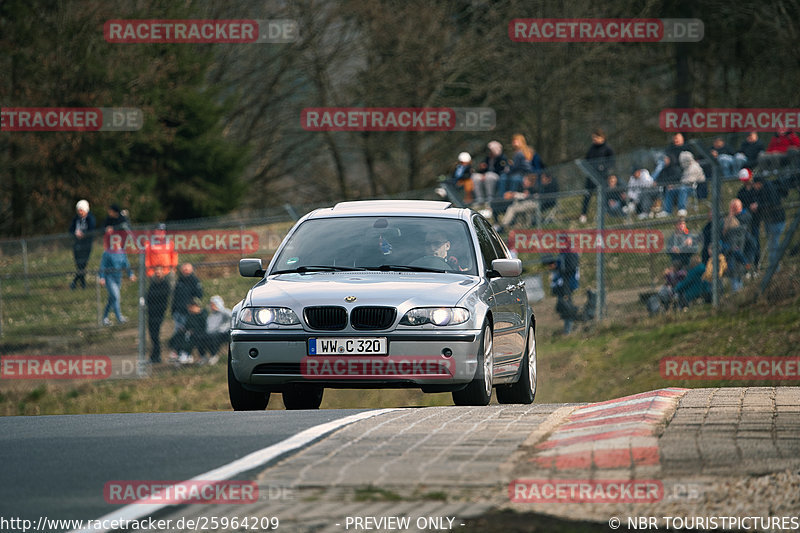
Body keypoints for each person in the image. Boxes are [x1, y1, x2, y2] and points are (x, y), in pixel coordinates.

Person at [144, 223, 178, 363]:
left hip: (167, 271)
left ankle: (172, 307)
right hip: (154, 272)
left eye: (162, 231)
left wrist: (172, 269)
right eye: (158, 230)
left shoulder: (169, 243)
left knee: (170, 293)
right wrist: (151, 272)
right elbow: (147, 259)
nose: (160, 233)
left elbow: (173, 256)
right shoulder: (149, 244)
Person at [580, 129, 615, 223]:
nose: (594, 139)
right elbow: (587, 160)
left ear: (602, 137)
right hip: (591, 177)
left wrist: (604, 169)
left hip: (601, 177)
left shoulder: (607, 149)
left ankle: (603, 213)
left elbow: (611, 163)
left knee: (602, 195)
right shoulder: (591, 148)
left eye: (596, 137)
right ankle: (583, 215)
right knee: (587, 196)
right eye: (593, 138)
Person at [98, 240, 136, 326]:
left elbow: (126, 264)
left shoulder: (122, 252)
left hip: (118, 278)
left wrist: (131, 274)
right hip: (109, 278)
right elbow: (103, 265)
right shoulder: (107, 253)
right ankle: (119, 318)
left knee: (112, 298)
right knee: (116, 296)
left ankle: (104, 318)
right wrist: (102, 277)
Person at [170, 262, 203, 359]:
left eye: (187, 269)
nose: (186, 271)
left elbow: (199, 295)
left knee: (187, 333)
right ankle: (177, 351)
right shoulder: (179, 281)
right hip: (178, 311)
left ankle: (186, 353)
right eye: (184, 269)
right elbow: (175, 297)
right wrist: (173, 310)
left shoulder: (194, 281)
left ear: (192, 269)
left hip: (188, 312)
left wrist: (192, 306)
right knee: (178, 332)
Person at [655, 133, 693, 217]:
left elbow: (688, 178)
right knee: (670, 189)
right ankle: (667, 211)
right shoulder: (669, 166)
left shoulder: (687, 162)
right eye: (675, 138)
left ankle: (682, 209)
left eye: (678, 138)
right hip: (677, 184)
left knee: (682, 188)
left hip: (687, 184)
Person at [753, 175, 787, 269]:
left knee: (773, 245)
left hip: (776, 221)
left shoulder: (769, 189)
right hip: (771, 221)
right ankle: (774, 267)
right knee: (772, 244)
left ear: (758, 183)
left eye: (754, 185)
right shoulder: (763, 189)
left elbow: (772, 203)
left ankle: (774, 268)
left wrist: (758, 206)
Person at [548, 250, 580, 334]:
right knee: (561, 306)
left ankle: (569, 329)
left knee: (566, 306)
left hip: (567, 285)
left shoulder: (570, 253)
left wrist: (559, 267)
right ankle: (568, 328)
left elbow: (569, 269)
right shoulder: (562, 254)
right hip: (562, 286)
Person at [168, 297, 207, 365]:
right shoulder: (190, 315)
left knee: (190, 338)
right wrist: (184, 329)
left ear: (195, 306)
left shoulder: (203, 314)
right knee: (179, 335)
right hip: (188, 332)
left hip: (199, 333)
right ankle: (178, 353)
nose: (189, 309)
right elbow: (187, 326)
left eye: (190, 307)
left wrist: (193, 330)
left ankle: (186, 355)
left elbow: (204, 327)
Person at [69, 199, 96, 290]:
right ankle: (82, 283)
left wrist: (83, 234)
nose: (80, 212)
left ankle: (75, 282)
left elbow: (91, 230)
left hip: (86, 244)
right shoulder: (76, 219)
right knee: (79, 264)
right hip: (77, 244)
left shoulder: (90, 219)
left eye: (81, 210)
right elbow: (71, 229)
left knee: (83, 264)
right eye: (78, 210)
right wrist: (75, 233)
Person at [197, 295, 232, 365]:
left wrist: (219, 309)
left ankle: (214, 355)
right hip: (212, 333)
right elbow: (209, 328)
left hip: (224, 333)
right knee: (200, 337)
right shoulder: (211, 316)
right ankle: (203, 357)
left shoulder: (225, 312)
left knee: (213, 337)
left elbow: (231, 317)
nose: (211, 306)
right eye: (211, 304)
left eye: (213, 304)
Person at [471, 141, 507, 205]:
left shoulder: (502, 158)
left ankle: (490, 198)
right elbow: (483, 169)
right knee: (475, 177)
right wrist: (482, 169)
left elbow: (501, 170)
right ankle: (479, 198)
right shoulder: (488, 158)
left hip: (496, 175)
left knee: (489, 176)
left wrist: (486, 174)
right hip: (486, 174)